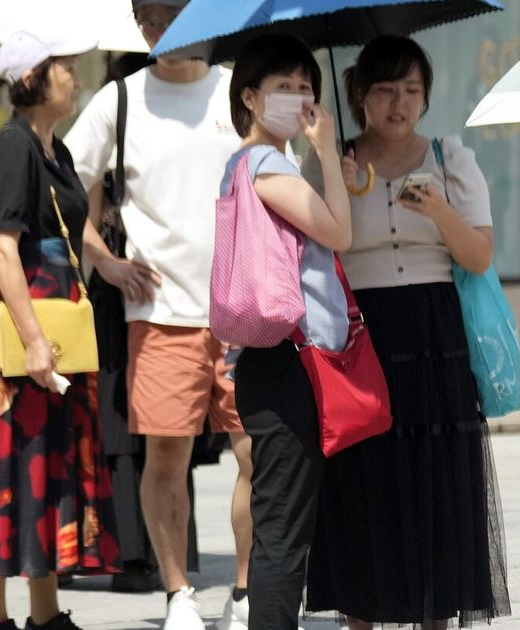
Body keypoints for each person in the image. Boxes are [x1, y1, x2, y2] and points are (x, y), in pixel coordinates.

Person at [301, 36, 511, 629]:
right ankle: (360, 619)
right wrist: (330, 181)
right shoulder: (327, 158)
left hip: (434, 333)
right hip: (359, 335)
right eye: (385, 91)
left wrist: (441, 211)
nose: (399, 104)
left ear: (427, 97)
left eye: (412, 91)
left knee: (437, 485)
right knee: (363, 482)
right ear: (358, 96)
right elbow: (307, 252)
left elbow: (479, 255)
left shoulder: (450, 156)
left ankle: (434, 619)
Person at [64, 2, 254, 627]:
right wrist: (105, 262)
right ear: (140, 26)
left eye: (179, 11)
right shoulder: (117, 102)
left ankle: (247, 590)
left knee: (257, 454)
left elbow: (284, 180)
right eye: (153, 15)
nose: (166, 27)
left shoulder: (239, 91)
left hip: (247, 313)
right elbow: (59, 192)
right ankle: (178, 595)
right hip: (161, 314)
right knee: (165, 458)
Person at [0, 25, 121, 630]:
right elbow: (3, 248)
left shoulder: (55, 148)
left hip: (59, 323)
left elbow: (70, 229)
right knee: (12, 464)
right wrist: (31, 340)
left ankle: (46, 614)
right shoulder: (11, 147)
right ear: (32, 79)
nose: (76, 77)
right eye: (65, 67)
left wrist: (109, 264)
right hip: (26, 325)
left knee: (46, 462)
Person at [224, 33, 351, 629]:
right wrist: (326, 155)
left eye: (306, 86)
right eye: (283, 87)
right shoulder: (266, 162)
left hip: (270, 358)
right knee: (280, 535)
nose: (298, 97)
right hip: (289, 361)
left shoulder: (240, 164)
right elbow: (338, 234)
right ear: (249, 96)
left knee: (284, 524)